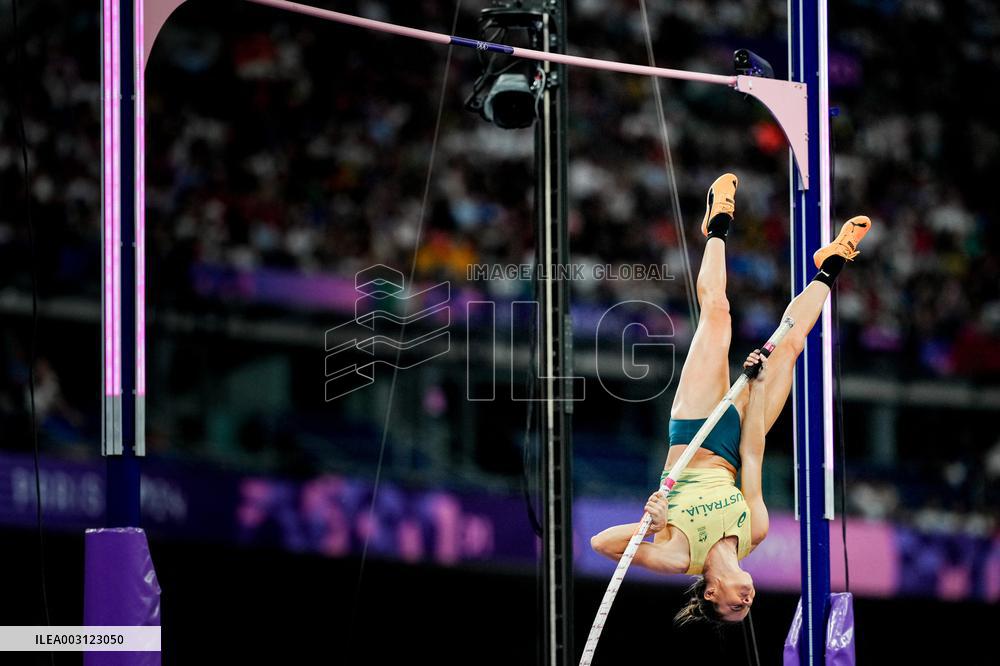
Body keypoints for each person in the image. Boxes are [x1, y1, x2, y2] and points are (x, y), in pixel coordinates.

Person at [590, 174, 871, 625]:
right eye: (750, 606)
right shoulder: (754, 532)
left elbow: (601, 543)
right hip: (740, 435)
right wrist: (755, 386)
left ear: (711, 593)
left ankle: (717, 225)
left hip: (693, 433)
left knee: (717, 316)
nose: (746, 602)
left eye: (733, 608)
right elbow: (753, 457)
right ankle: (831, 264)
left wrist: (653, 525)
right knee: (792, 346)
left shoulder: (678, 558)